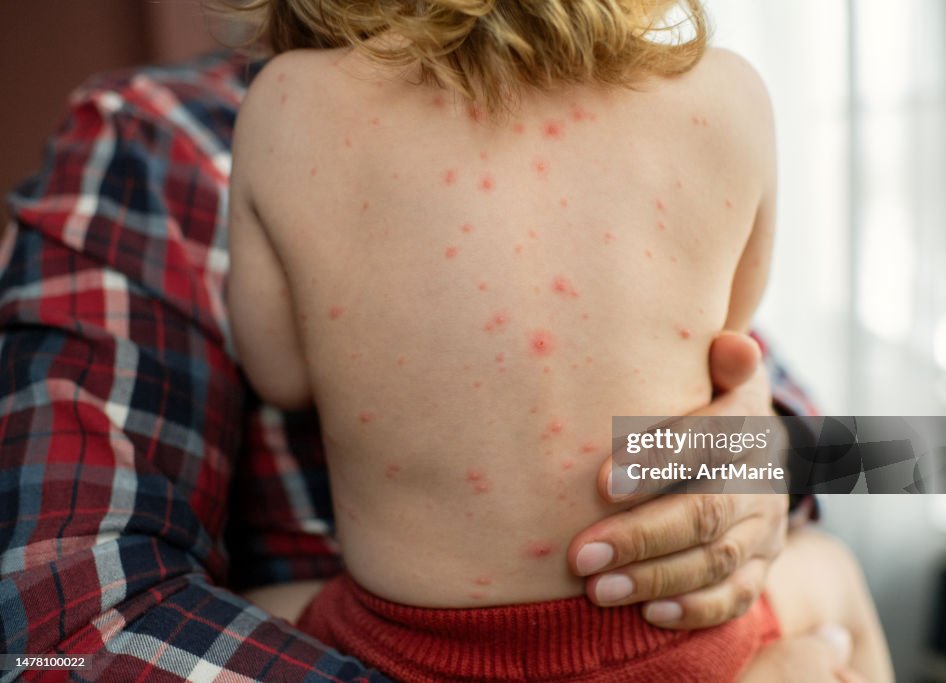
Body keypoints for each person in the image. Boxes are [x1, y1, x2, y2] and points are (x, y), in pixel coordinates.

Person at [0, 46, 860, 683]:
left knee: (840, 557)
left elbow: (858, 449)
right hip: (685, 645)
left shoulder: (286, 115)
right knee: (836, 594)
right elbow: (60, 630)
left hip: (404, 640)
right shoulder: (160, 142)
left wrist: (767, 456)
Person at [224, 1, 892, 681]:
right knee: (831, 567)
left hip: (402, 649)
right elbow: (730, 337)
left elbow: (281, 375)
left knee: (248, 608)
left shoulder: (285, 103)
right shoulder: (725, 94)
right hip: (679, 632)